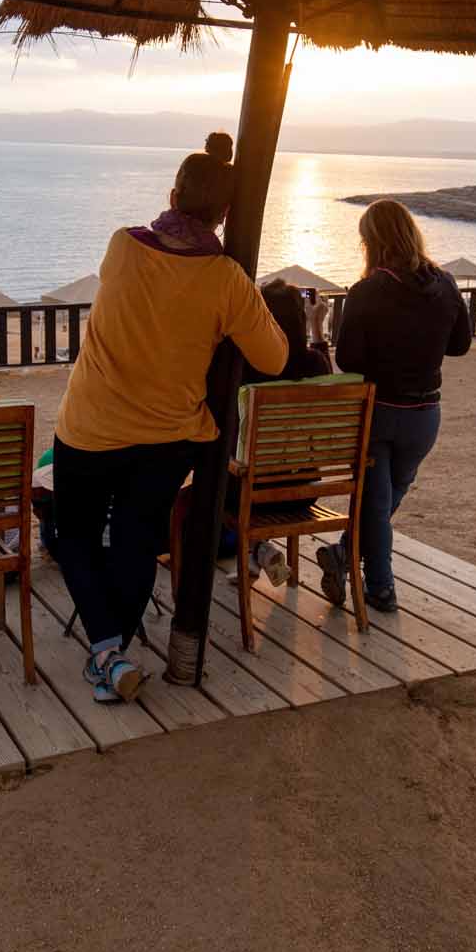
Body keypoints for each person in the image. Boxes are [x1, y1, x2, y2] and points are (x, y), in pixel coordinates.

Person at [53, 132, 288, 703]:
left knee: (75, 536)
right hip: (165, 438)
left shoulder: (122, 247)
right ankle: (112, 653)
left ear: (173, 194)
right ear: (225, 214)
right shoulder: (227, 280)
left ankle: (107, 649)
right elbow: (275, 358)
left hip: (89, 428)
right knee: (135, 543)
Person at [315, 199, 472, 614]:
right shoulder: (447, 283)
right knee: (381, 503)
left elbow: (348, 359)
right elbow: (460, 346)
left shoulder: (367, 291)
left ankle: (381, 590)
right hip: (425, 417)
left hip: (379, 413)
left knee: (376, 505)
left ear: (373, 243)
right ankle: (344, 556)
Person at [236, 279, 337, 584]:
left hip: (251, 495)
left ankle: (260, 549)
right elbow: (328, 379)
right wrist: (317, 327)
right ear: (300, 317)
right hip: (302, 493)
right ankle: (260, 551)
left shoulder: (246, 365)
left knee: (204, 491)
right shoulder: (315, 364)